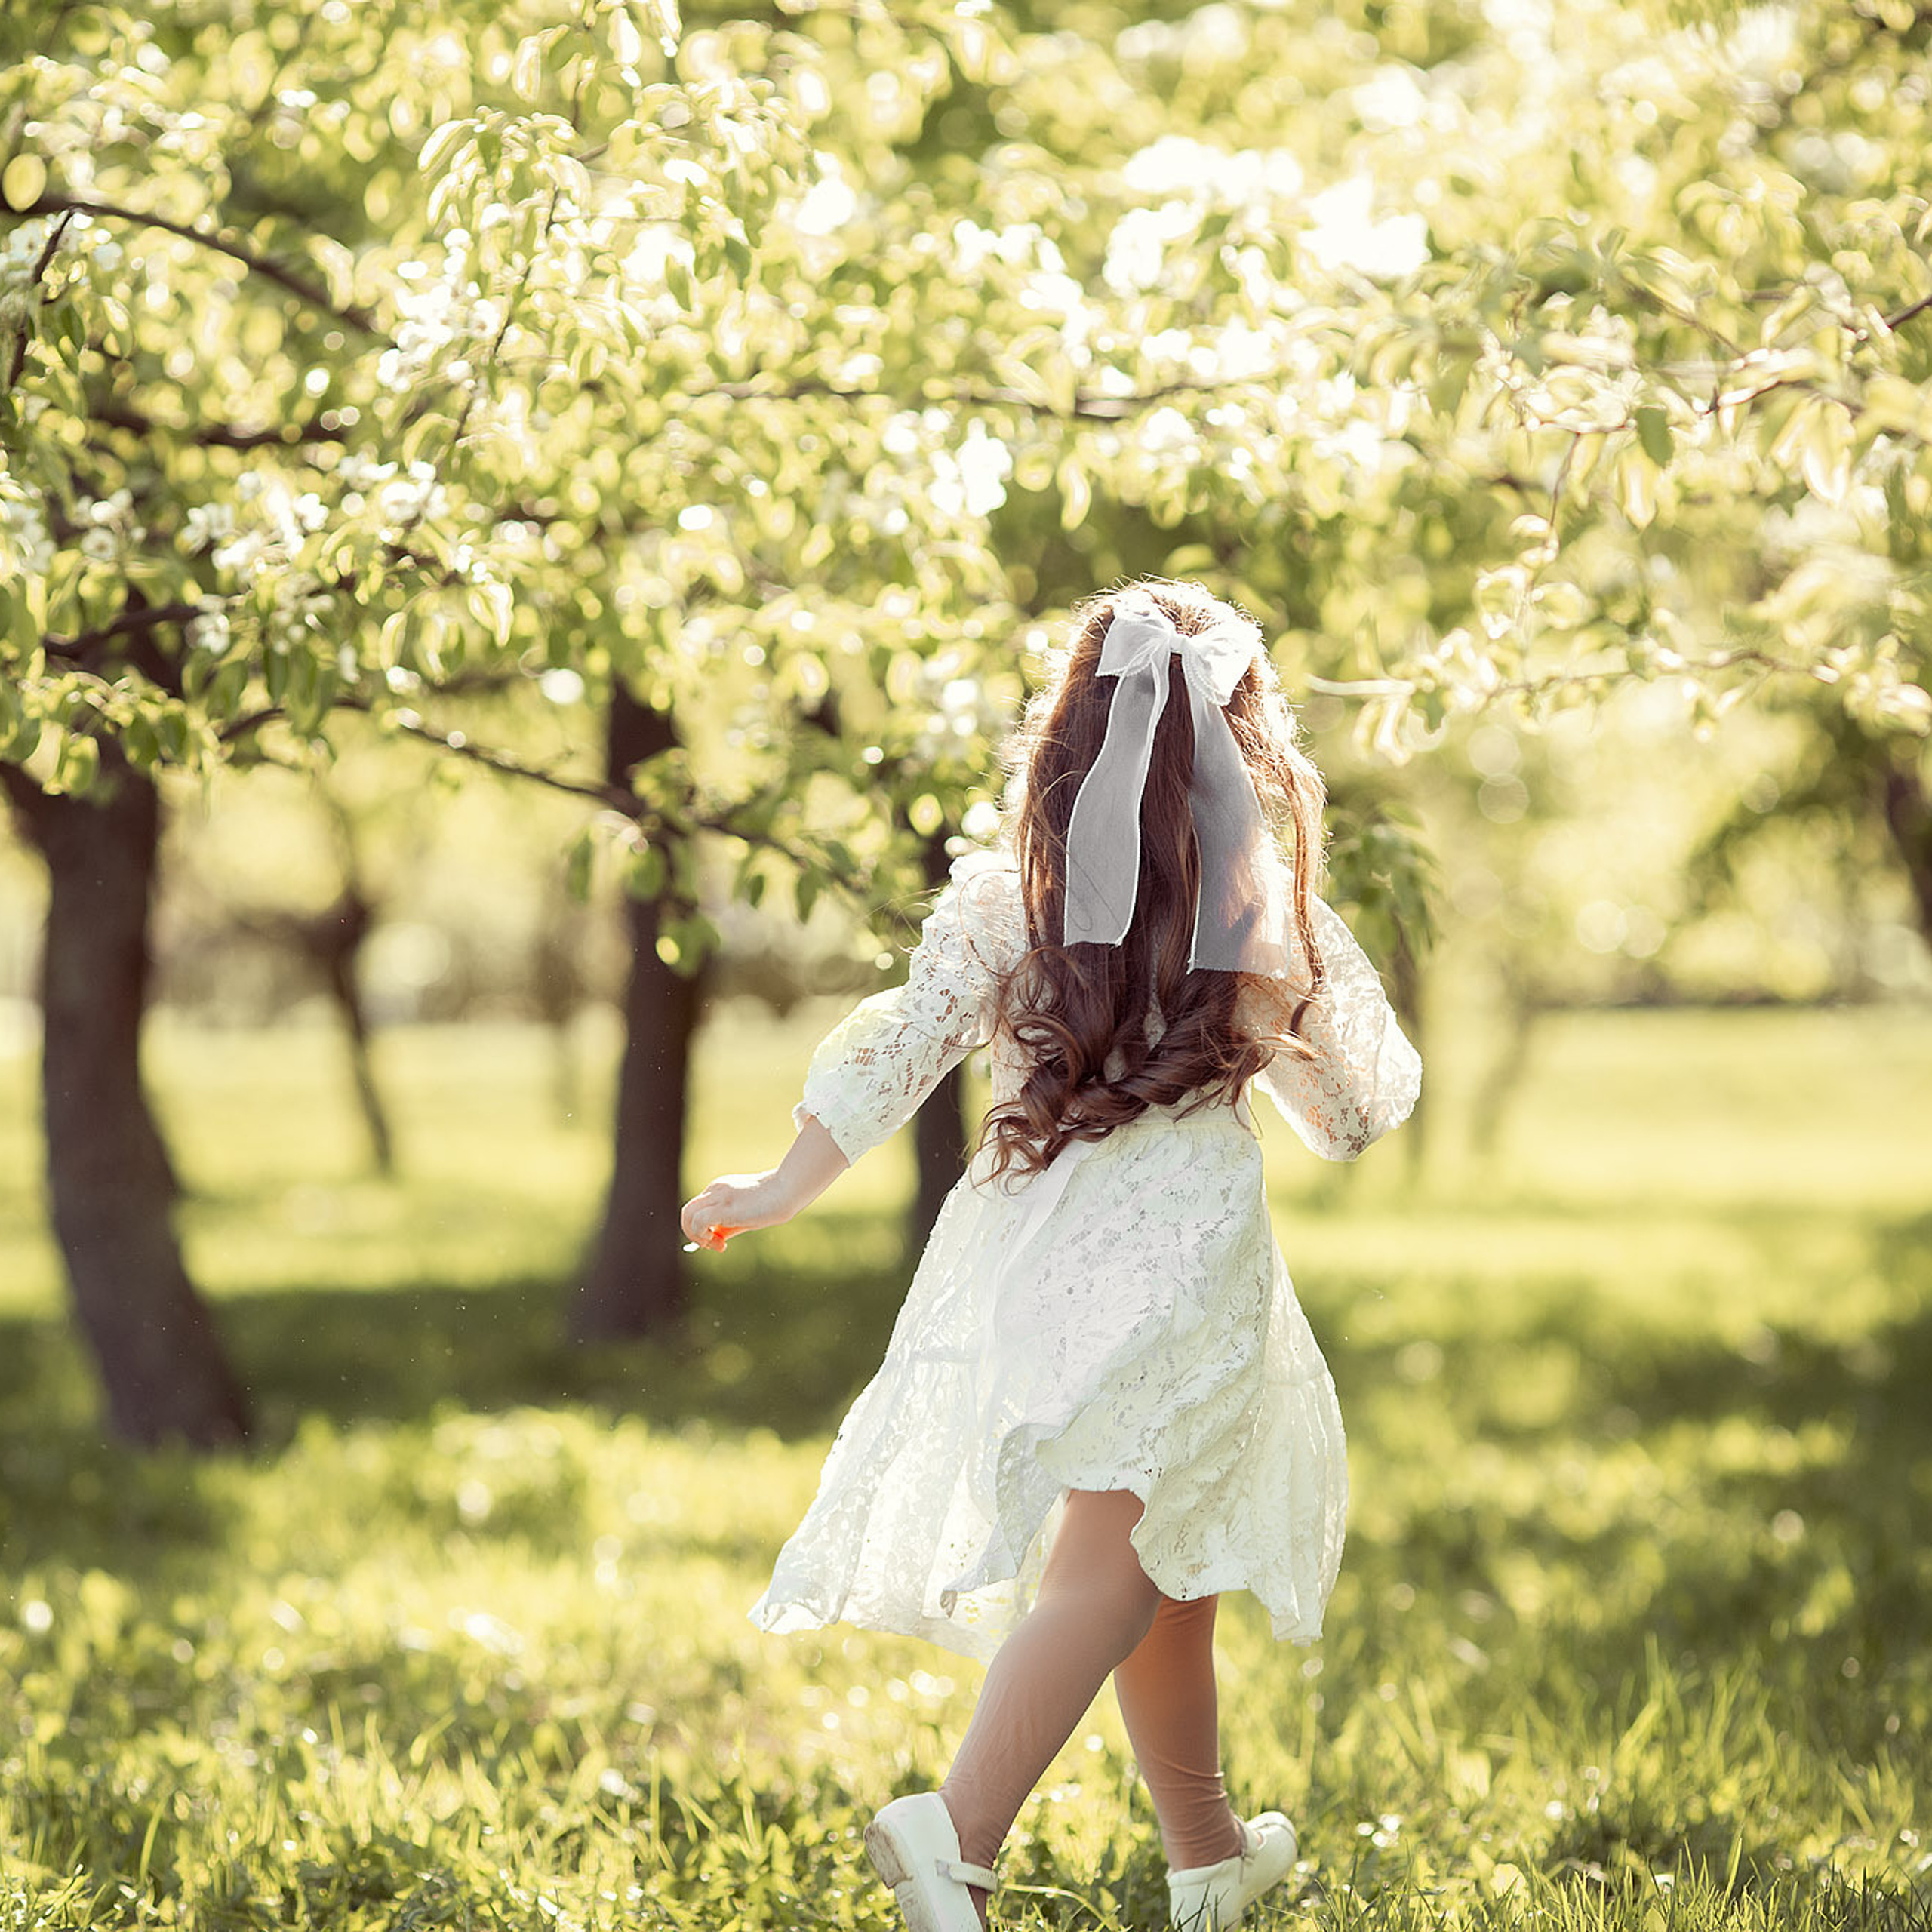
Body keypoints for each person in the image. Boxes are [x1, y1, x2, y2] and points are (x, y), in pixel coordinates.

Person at [679, 579, 1422, 1931]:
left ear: (1071, 732)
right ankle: (950, 1835)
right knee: (1113, 1568)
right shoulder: (1260, 907)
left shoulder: (1012, 895)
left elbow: (907, 1039)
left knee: (1163, 1560)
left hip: (1039, 1260)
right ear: (1242, 740)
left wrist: (785, 1181)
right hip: (1186, 1265)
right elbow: (1360, 1113)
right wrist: (1299, 980)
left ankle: (1206, 1857)